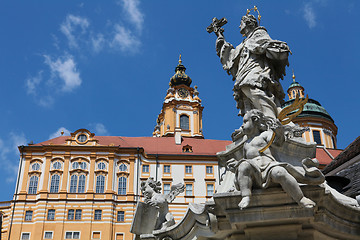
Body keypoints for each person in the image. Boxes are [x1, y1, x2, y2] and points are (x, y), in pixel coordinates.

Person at [226, 110, 317, 209]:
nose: (242, 125)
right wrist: (236, 165)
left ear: (255, 120)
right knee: (243, 165)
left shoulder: (264, 135)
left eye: (245, 121)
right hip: (255, 172)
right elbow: (244, 162)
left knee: (280, 172)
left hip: (269, 167)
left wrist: (279, 132)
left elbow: (277, 143)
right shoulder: (246, 144)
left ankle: (300, 198)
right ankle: (246, 196)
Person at [215, 14, 290, 119]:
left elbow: (268, 45)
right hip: (245, 71)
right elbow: (232, 56)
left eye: (241, 23)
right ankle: (271, 119)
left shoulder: (259, 33)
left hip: (256, 70)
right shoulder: (244, 42)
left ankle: (271, 119)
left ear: (248, 23)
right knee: (250, 98)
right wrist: (220, 37)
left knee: (256, 92)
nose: (239, 26)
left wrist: (262, 47)